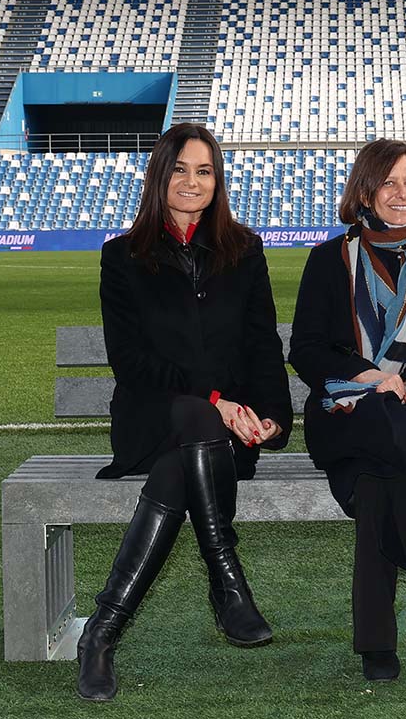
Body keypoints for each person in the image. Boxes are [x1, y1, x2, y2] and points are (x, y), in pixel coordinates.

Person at [76, 123, 293, 701]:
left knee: (187, 459)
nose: (192, 182)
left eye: (204, 171)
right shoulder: (122, 258)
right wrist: (217, 402)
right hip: (153, 418)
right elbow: (132, 362)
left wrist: (270, 415)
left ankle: (101, 633)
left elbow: (262, 344)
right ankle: (228, 584)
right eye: (179, 169)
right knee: (195, 421)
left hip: (221, 439)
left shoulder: (244, 251)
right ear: (159, 176)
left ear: (218, 181)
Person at [289, 139, 406, 682]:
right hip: (342, 413)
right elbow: (305, 349)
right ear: (365, 192)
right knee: (383, 425)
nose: (402, 193)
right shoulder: (328, 260)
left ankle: (377, 642)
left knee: (381, 476)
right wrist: (375, 380)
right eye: (389, 182)